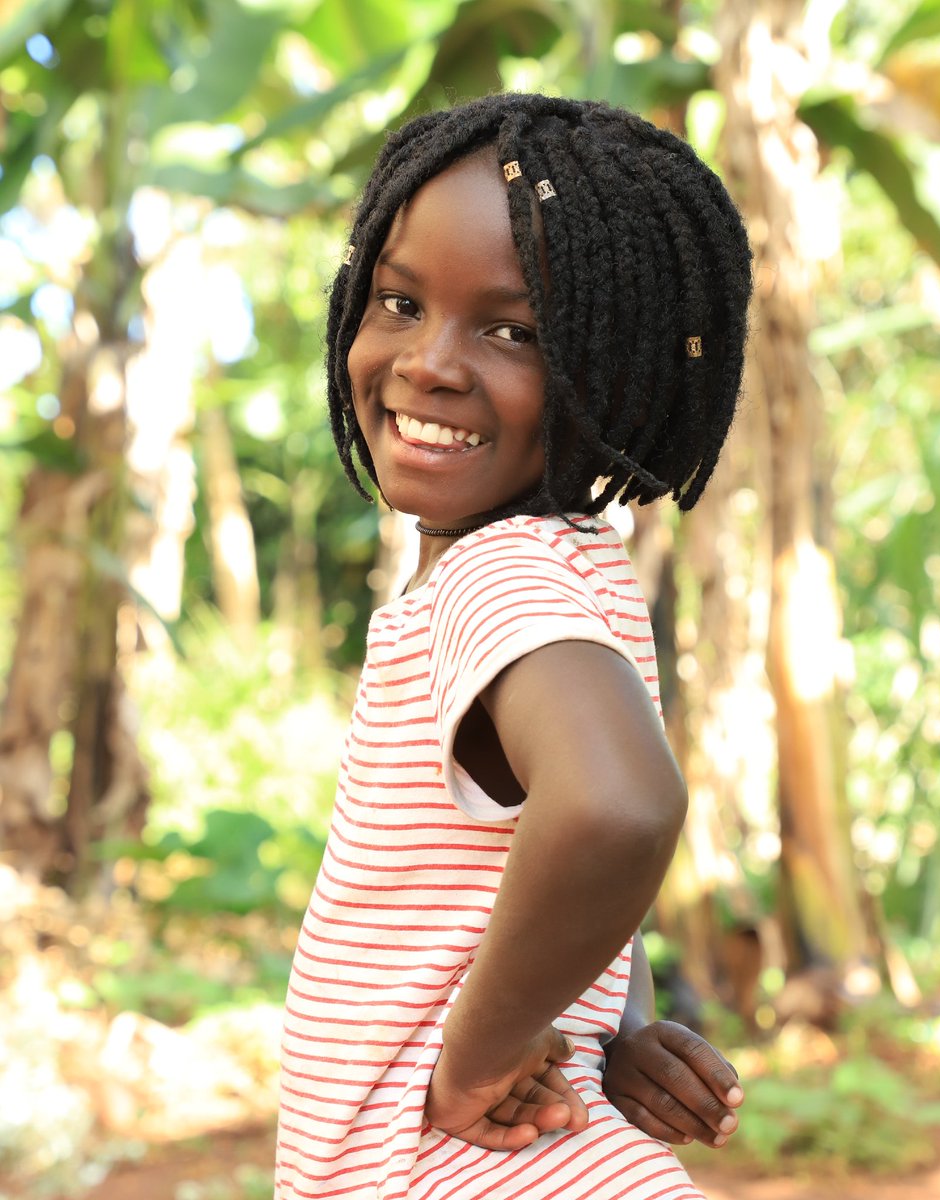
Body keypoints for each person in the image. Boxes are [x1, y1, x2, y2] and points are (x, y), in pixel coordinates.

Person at [276, 93, 753, 1200]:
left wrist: (479, 1058)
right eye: (400, 302)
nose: (429, 362)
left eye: (514, 332)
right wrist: (613, 1025)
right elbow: (552, 837)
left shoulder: (500, 576)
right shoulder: (566, 562)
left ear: (617, 372)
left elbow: (616, 806)